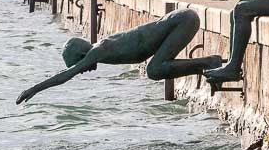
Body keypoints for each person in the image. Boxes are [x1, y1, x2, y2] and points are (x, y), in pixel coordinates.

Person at [15, 8, 222, 105]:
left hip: (183, 20)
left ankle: (210, 64)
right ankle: (208, 67)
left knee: (154, 70)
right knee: (155, 69)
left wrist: (35, 89)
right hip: (182, 18)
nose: (84, 69)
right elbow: (70, 71)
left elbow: (67, 75)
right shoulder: (102, 48)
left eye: (81, 64)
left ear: (82, 54)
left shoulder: (98, 51)